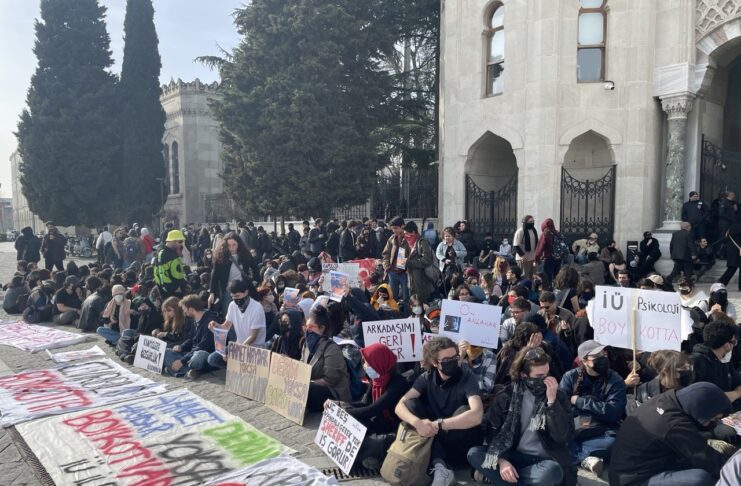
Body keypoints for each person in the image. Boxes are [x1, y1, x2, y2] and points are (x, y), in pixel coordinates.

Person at [468, 346, 575, 486]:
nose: (545, 380)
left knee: (553, 472)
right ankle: (516, 479)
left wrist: (552, 403)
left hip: (543, 461)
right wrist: (502, 461)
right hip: (511, 455)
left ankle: (500, 479)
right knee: (474, 453)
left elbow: (563, 436)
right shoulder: (506, 396)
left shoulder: (558, 396)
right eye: (539, 376)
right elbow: (492, 431)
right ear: (524, 375)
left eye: (547, 374)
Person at [394, 337, 484, 484]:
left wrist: (440, 424)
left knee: (464, 410)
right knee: (411, 404)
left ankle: (440, 466)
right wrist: (417, 423)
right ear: (435, 362)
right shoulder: (426, 377)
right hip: (433, 435)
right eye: (446, 360)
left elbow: (477, 414)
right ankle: (440, 467)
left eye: (455, 357)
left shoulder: (467, 378)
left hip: (459, 442)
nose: (452, 362)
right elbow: (400, 405)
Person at [609, 382, 732, 486]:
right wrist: (735, 470)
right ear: (701, 410)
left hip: (636, 466)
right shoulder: (673, 424)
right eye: (713, 419)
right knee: (701, 479)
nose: (714, 422)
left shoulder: (667, 400)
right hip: (634, 480)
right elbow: (704, 457)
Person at [338, 343, 411, 469]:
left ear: (379, 363)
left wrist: (342, 412)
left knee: (377, 443)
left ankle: (370, 456)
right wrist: (339, 405)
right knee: (350, 425)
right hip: (380, 424)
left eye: (367, 362)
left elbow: (373, 409)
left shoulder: (398, 383)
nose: (364, 366)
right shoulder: (376, 380)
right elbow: (365, 403)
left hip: (397, 430)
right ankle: (369, 456)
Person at [559, 340, 627, 476]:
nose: (603, 358)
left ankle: (579, 455)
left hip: (602, 430)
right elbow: (561, 407)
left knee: (615, 443)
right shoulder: (570, 377)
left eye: (604, 354)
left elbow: (613, 412)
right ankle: (586, 457)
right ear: (584, 360)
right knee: (557, 439)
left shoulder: (615, 380)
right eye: (597, 356)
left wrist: (580, 402)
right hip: (574, 428)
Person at [207, 279, 267, 370]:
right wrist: (216, 326)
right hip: (239, 345)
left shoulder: (257, 308)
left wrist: (237, 353)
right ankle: (235, 367)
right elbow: (226, 326)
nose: (236, 299)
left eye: (238, 296)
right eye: (233, 297)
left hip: (255, 349)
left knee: (233, 359)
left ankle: (238, 367)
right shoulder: (232, 305)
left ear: (246, 292)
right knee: (212, 359)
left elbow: (253, 336)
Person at [301, 305, 351, 412]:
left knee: (309, 389)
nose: (307, 331)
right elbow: (302, 367)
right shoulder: (306, 345)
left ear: (322, 328)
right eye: (306, 327)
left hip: (333, 393)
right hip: (313, 384)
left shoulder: (331, 348)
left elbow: (330, 380)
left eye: (311, 327)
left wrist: (307, 383)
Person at [164, 294, 220, 378]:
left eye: (185, 310)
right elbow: (191, 339)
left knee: (199, 355)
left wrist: (182, 361)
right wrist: (181, 347)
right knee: (165, 352)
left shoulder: (210, 321)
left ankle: (179, 370)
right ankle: (189, 371)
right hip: (191, 354)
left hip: (205, 354)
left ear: (191, 309)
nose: (184, 313)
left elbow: (203, 346)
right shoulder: (194, 320)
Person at [691, 321, 741, 407]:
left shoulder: (725, 360)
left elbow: (738, 383)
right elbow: (696, 398)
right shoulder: (696, 362)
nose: (734, 346)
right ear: (727, 345)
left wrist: (734, 394)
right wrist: (730, 396)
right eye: (734, 342)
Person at [627, 350, 693, 412]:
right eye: (683, 369)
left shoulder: (691, 391)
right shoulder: (643, 395)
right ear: (665, 372)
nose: (687, 372)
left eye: (689, 368)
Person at [382, 216, 411, 312]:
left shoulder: (409, 238)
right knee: (392, 298)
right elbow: (385, 253)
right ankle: (394, 317)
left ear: (402, 226)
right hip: (392, 272)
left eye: (396, 228)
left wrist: (408, 268)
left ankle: (406, 316)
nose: (394, 230)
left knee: (406, 298)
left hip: (405, 273)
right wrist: (387, 267)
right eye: (392, 228)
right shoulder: (392, 238)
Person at [404, 221, 435, 303]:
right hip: (412, 279)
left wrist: (409, 262)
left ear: (413, 232)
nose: (406, 236)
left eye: (407, 233)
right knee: (413, 303)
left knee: (420, 302)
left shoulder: (422, 242)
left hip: (421, 280)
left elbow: (427, 260)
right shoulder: (409, 243)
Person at [154, 229, 187, 299]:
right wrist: (173, 288)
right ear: (172, 241)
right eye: (180, 242)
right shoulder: (163, 254)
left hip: (179, 291)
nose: (181, 244)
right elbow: (162, 274)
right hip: (170, 294)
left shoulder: (174, 252)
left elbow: (180, 269)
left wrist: (184, 284)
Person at [535, 218, 560, 288]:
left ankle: (548, 290)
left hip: (548, 258)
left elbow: (540, 248)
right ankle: (556, 289)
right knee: (556, 276)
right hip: (558, 258)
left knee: (547, 277)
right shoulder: (557, 232)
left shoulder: (546, 233)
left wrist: (536, 259)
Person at [718, 217, 741, 290]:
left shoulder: (731, 227)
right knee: (732, 268)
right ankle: (721, 282)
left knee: (732, 268)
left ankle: (721, 282)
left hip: (731, 250)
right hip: (738, 249)